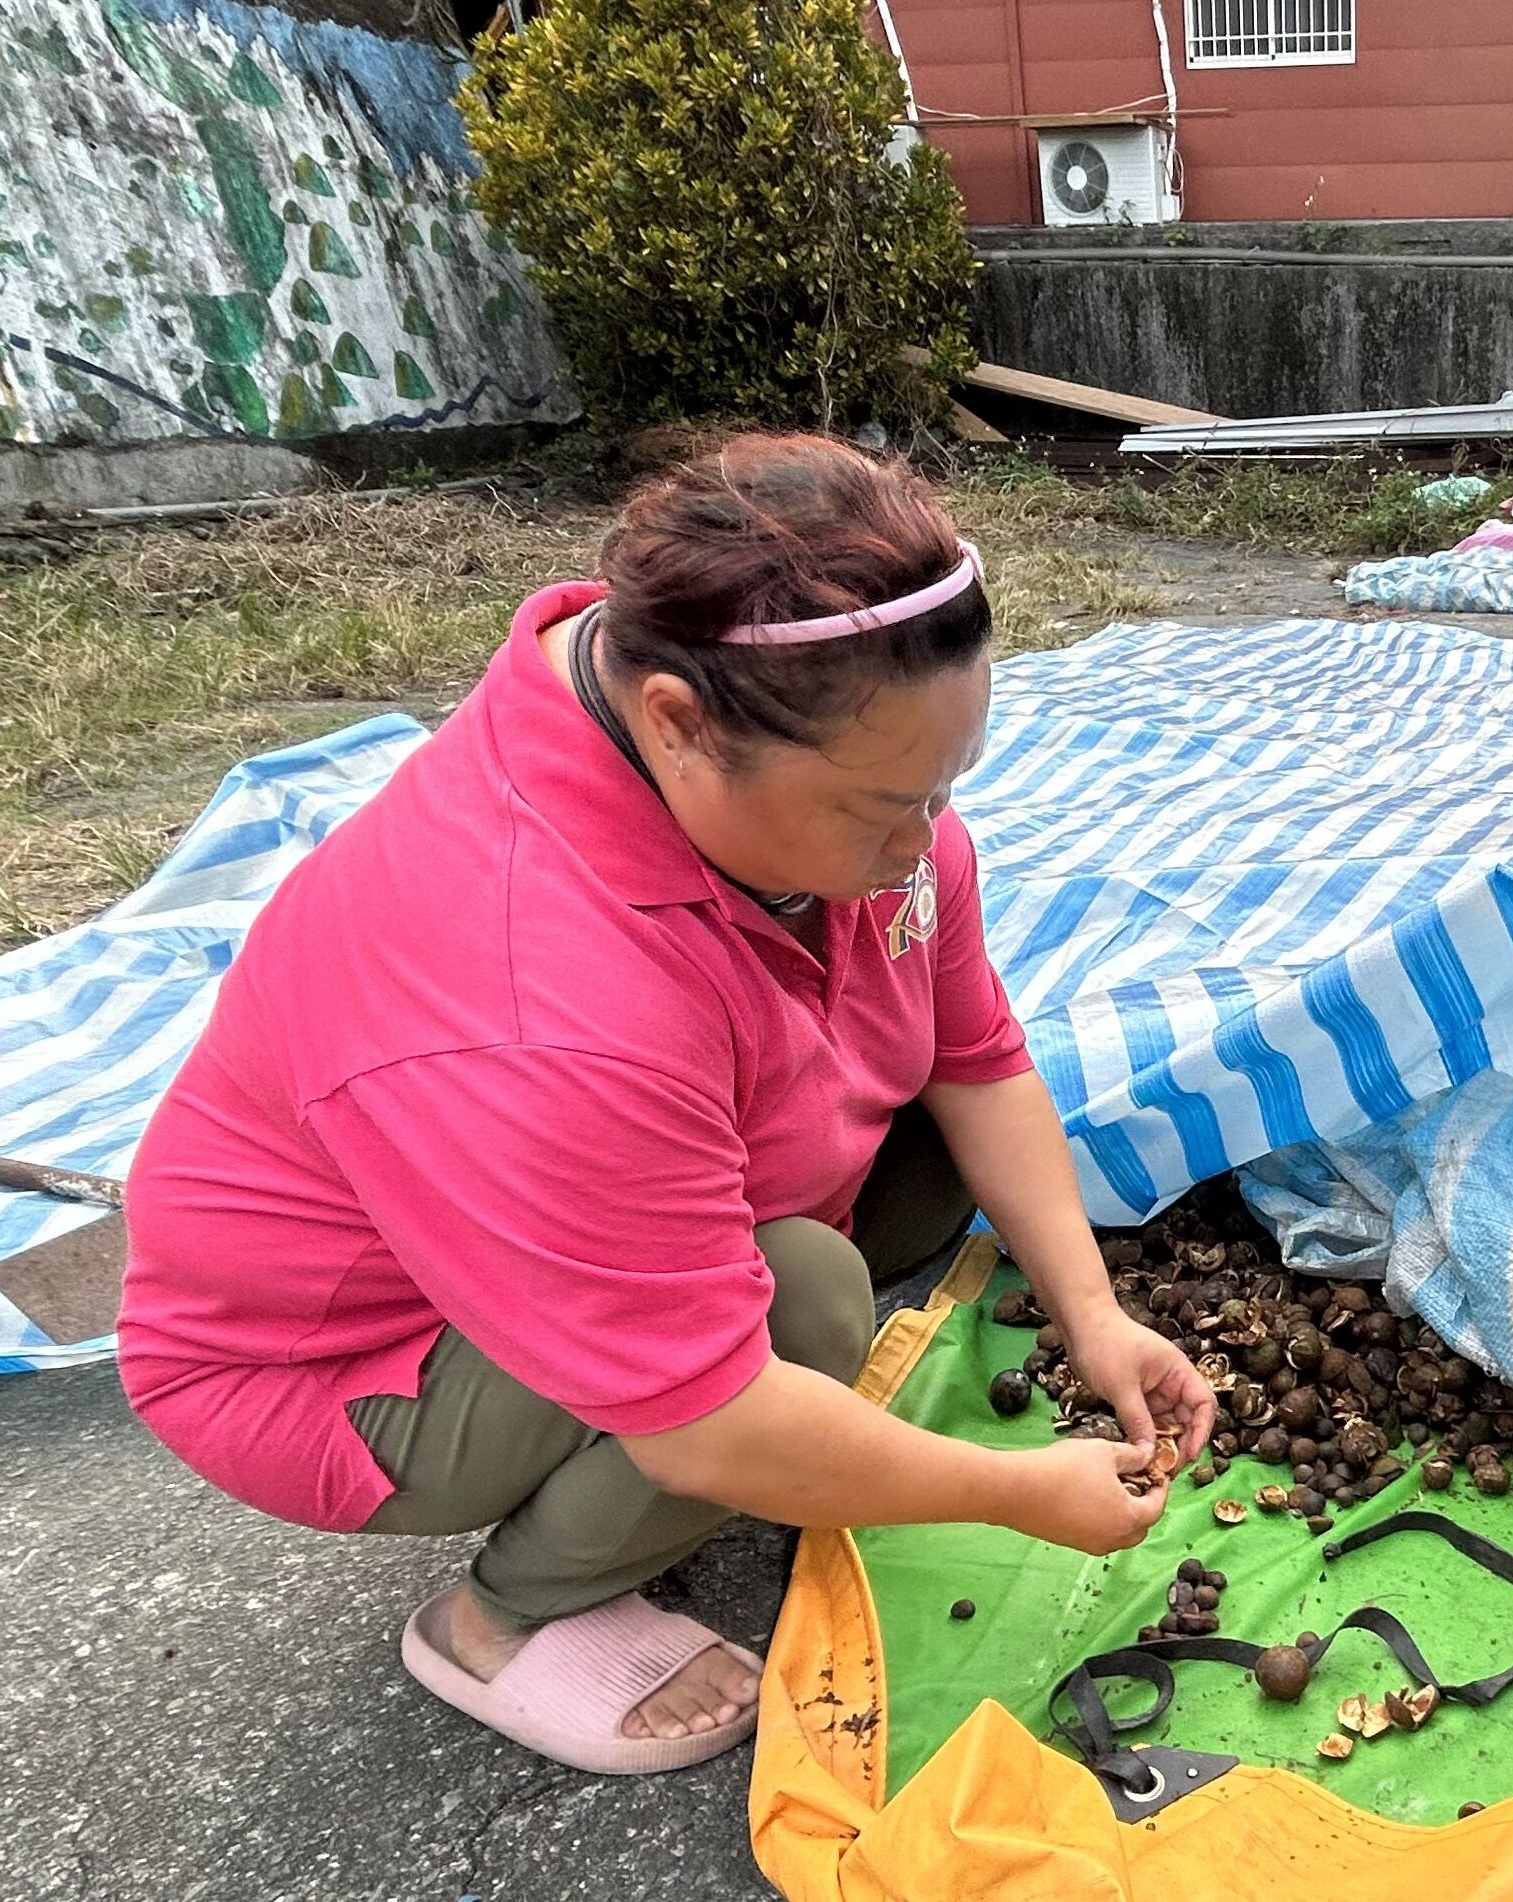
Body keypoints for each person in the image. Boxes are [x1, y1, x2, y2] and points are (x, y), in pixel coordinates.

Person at [115, 433, 1214, 1774]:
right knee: (800, 1300)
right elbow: (708, 1417)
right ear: (678, 724)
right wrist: (1013, 1495)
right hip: (340, 1362)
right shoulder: (535, 982)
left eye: (944, 790)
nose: (923, 848)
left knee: (924, 1156)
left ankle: (713, 1394)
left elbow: (971, 1052)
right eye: (884, 806)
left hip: (598, 1188)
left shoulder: (790, 765)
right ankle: (501, 1618)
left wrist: (1093, 1316)